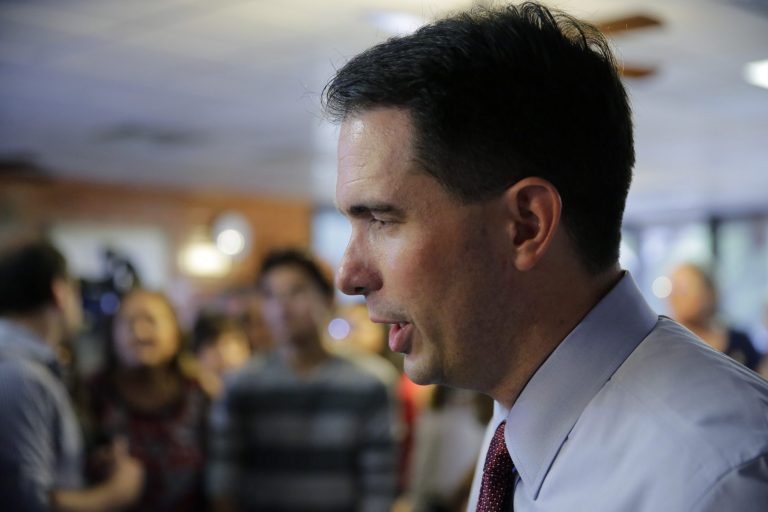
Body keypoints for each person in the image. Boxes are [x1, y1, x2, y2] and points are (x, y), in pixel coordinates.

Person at [324, 2, 768, 511]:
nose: (348, 276)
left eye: (381, 221)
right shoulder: (516, 421)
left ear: (525, 226)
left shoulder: (713, 479)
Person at [208, 248, 398, 512]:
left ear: (327, 299)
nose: (282, 307)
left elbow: (378, 488)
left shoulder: (370, 383)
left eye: (296, 292)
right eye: (271, 295)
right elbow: (223, 483)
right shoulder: (242, 385)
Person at [0, 237, 143, 512]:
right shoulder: (21, 375)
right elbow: (25, 503)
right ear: (59, 293)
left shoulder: (27, 367)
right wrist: (115, 493)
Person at [84, 289, 209, 512]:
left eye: (151, 321)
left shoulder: (201, 393)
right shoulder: (90, 393)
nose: (140, 332)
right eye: (128, 322)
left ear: (176, 332)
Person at [668, 262, 764, 371]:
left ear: (710, 293)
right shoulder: (667, 348)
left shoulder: (740, 343)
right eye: (674, 290)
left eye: (684, 290)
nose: (676, 298)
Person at [191, 311, 252, 397]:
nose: (222, 352)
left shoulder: (265, 388)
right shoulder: (191, 396)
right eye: (212, 344)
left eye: (228, 342)